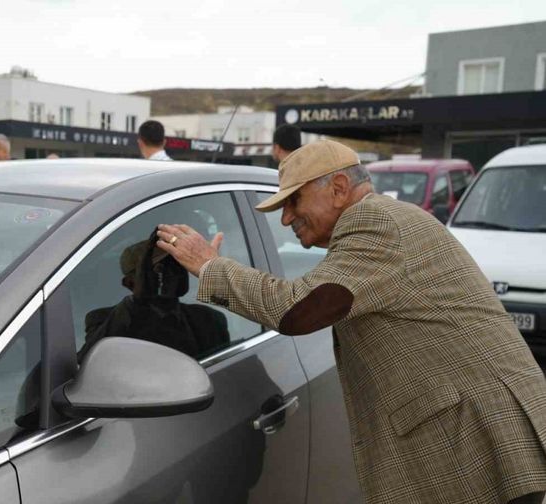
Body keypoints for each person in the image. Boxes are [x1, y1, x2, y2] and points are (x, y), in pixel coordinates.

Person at [156, 139, 546, 504]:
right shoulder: (390, 218)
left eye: (293, 202)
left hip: (474, 439)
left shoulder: (372, 221)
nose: (287, 218)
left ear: (340, 188)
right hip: (477, 433)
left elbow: (298, 308)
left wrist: (209, 266)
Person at [81, 231, 228, 360]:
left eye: (177, 263)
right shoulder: (105, 319)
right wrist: (137, 303)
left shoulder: (209, 319)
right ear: (130, 283)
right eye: (160, 268)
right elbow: (87, 361)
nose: (174, 272)